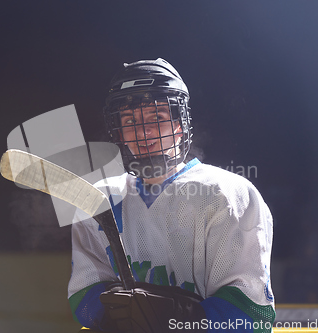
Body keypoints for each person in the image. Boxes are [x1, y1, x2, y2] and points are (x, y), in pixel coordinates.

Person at [68, 58, 275, 332]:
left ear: (180, 125)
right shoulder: (98, 199)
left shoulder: (228, 194)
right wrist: (112, 316)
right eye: (130, 120)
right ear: (118, 130)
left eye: (157, 117)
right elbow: (84, 294)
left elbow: (251, 312)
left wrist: (180, 320)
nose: (143, 131)